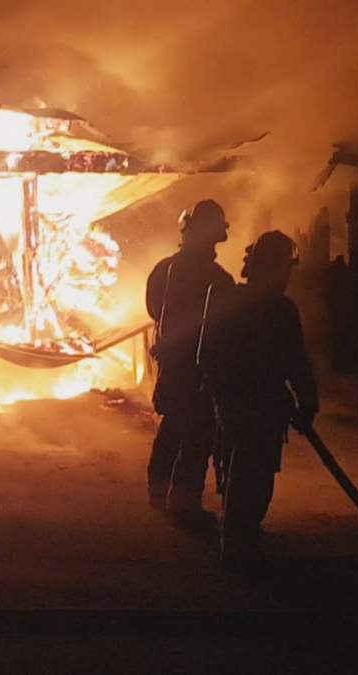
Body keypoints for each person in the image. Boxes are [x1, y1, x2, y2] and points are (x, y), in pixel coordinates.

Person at [209, 231, 318, 564]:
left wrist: (217, 392)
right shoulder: (282, 310)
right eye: (284, 268)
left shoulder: (226, 299)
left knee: (234, 468)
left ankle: (237, 538)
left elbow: (206, 355)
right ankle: (240, 544)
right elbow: (296, 362)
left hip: (232, 403)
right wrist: (307, 402)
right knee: (254, 477)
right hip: (262, 406)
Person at [145, 200, 234, 525]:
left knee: (173, 424)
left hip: (173, 359)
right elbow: (225, 326)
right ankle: (184, 503)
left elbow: (154, 310)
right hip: (201, 367)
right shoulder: (218, 279)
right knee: (198, 431)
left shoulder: (165, 269)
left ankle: (158, 490)